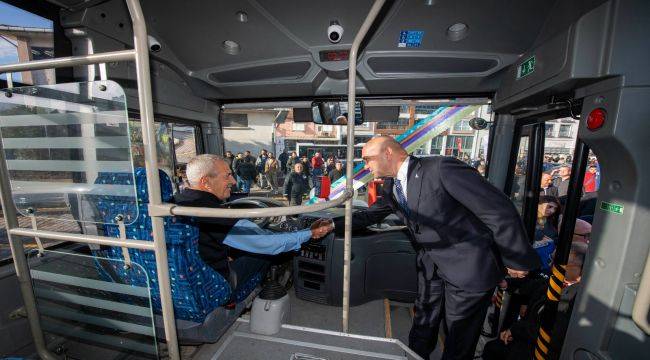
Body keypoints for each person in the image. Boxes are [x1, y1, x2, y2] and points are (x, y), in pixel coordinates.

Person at [335, 136, 540, 360]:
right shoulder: (391, 186)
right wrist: (330, 225)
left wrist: (516, 259)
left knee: (458, 336)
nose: (365, 166)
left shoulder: (441, 169)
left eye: (367, 159)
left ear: (388, 153)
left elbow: (497, 210)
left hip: (469, 267)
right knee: (424, 321)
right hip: (431, 266)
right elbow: (372, 214)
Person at [172, 154, 333, 294]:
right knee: (263, 254)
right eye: (227, 176)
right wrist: (309, 233)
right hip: (215, 285)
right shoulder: (214, 214)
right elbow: (267, 244)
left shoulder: (173, 204)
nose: (234, 181)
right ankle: (270, 290)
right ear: (206, 182)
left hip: (183, 281)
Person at [533, 196, 561, 273]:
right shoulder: (528, 218)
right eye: (550, 206)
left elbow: (555, 238)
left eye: (555, 209)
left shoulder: (550, 221)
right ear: (539, 204)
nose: (552, 210)